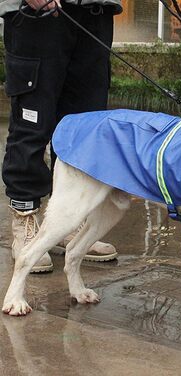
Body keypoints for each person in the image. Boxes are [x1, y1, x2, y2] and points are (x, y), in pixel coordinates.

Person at [0, 0, 123, 272]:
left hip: (96, 12)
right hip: (37, 12)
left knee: (82, 132)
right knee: (32, 125)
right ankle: (25, 219)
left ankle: (67, 223)